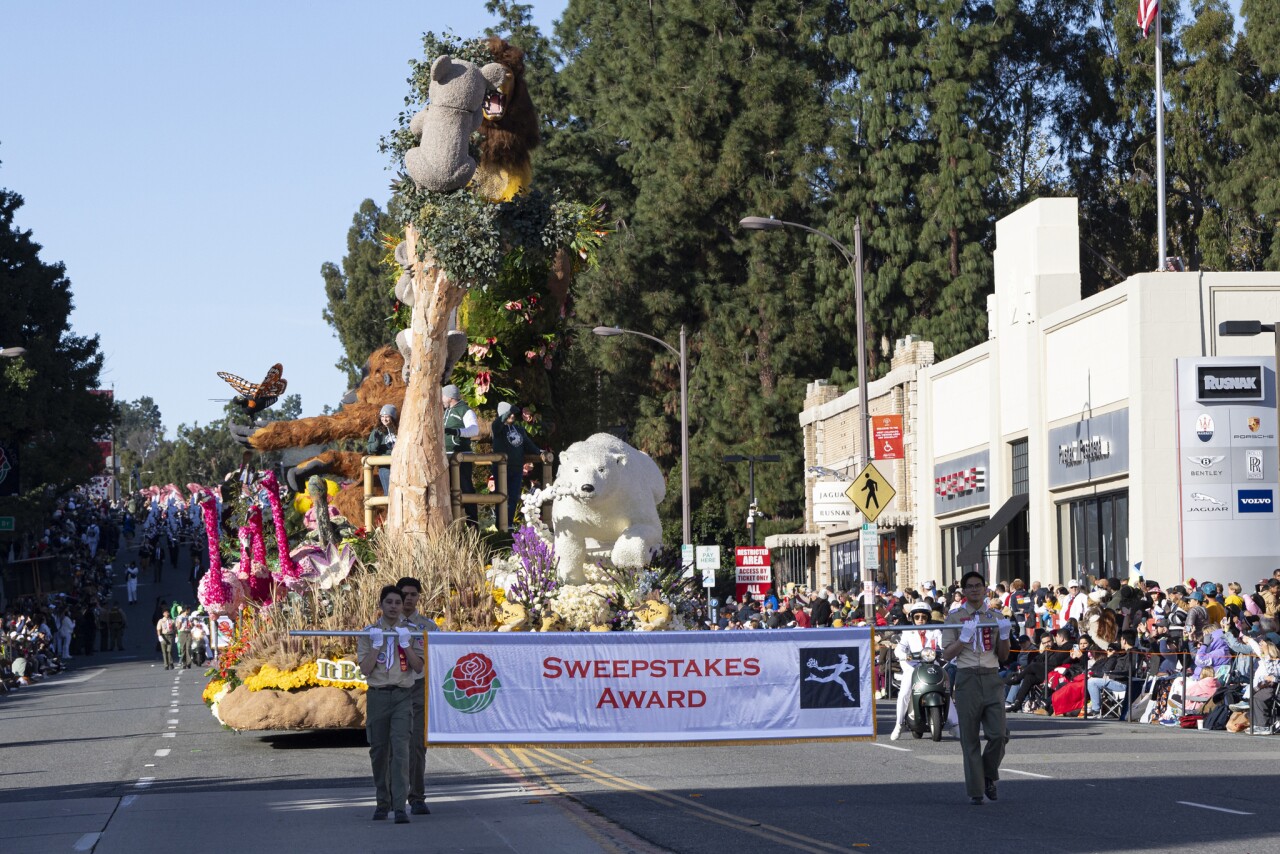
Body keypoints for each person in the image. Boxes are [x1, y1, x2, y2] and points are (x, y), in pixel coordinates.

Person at [943, 570, 1011, 805]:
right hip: (967, 678)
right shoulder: (954, 617)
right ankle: (976, 789)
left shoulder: (994, 616)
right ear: (963, 591)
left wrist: (1004, 635)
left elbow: (1003, 656)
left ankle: (988, 774)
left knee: (999, 735)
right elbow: (946, 653)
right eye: (969, 586)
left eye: (978, 586)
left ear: (985, 589)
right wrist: (963, 639)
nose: (974, 589)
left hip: (991, 677)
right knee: (970, 738)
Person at [357, 585, 422, 824]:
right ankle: (382, 803)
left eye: (397, 602)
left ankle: (400, 806)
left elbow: (418, 666)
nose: (394, 606)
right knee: (379, 751)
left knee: (401, 751)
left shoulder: (412, 632)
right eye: (389, 602)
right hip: (378, 695)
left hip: (403, 696)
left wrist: (405, 644)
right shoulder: (369, 632)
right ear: (381, 605)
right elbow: (365, 669)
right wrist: (376, 646)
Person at [398, 576, 438, 815]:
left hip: (418, 688)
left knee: (416, 746)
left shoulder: (429, 627)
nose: (408, 599)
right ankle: (392, 796)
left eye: (413, 594)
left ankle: (417, 797)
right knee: (393, 746)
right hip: (393, 688)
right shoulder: (385, 625)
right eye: (404, 594)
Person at [891, 602, 959, 739]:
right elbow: (900, 648)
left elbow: (943, 645)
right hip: (913, 666)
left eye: (923, 617)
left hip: (932, 665)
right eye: (917, 617)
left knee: (945, 690)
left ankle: (955, 724)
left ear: (928, 617)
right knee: (904, 692)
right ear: (912, 618)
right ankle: (899, 724)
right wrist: (903, 655)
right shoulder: (907, 632)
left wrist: (948, 653)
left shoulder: (935, 631)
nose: (920, 620)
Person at [490, 401, 541, 528]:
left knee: (513, 497)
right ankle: (500, 525)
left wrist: (539, 452)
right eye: (509, 413)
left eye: (513, 413)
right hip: (501, 468)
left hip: (516, 468)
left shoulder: (519, 429)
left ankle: (509, 524)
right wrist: (508, 411)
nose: (512, 415)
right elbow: (497, 423)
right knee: (501, 496)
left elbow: (528, 444)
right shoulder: (497, 429)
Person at [441, 384, 480, 525]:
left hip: (461, 456)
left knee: (466, 488)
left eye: (443, 396)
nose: (441, 399)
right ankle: (452, 526)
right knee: (447, 490)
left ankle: (472, 525)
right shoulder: (446, 411)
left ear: (450, 397)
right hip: (446, 457)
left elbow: (474, 430)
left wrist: (457, 432)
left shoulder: (465, 410)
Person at [367, 404, 399, 496]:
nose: (384, 419)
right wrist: (377, 442)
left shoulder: (399, 430)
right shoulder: (377, 432)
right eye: (382, 417)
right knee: (389, 492)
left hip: (399, 465)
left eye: (387, 417)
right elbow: (369, 449)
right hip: (385, 467)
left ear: (392, 417)